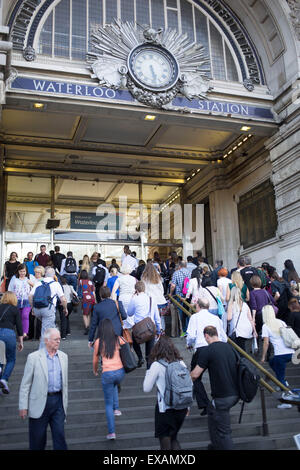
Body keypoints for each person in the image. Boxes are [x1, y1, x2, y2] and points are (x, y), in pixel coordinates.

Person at [191, 325, 239, 450]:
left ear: (206, 336)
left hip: (222, 396)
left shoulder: (208, 350)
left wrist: (183, 381)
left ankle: (221, 445)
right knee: (212, 412)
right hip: (235, 393)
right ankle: (214, 445)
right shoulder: (230, 348)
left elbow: (195, 374)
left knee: (224, 432)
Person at [19, 327, 68, 449]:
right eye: (55, 339)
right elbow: (25, 384)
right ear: (46, 340)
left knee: (60, 436)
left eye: (59, 339)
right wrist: (23, 406)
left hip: (58, 401)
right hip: (40, 401)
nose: (58, 341)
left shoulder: (63, 357)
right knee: (38, 439)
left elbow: (65, 383)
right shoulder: (34, 357)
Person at [143, 335, 189, 450]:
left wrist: (149, 371)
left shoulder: (157, 365)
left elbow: (146, 388)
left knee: (165, 441)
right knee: (174, 438)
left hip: (165, 408)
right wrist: (188, 407)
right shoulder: (181, 363)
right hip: (181, 407)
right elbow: (189, 385)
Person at [186, 298, 227, 415]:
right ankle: (217, 401)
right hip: (217, 349)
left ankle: (205, 403)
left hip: (201, 348)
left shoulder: (195, 317)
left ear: (198, 306)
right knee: (216, 376)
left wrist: (189, 344)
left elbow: (191, 335)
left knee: (195, 377)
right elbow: (224, 337)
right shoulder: (215, 318)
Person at [92, 318, 125, 440]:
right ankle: (117, 409)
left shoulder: (98, 342)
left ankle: (112, 432)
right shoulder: (118, 339)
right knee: (115, 384)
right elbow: (127, 348)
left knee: (108, 403)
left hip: (107, 373)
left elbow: (95, 360)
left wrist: (95, 371)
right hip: (120, 372)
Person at [261, 305, 294, 407]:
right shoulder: (281, 322)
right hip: (290, 352)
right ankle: (283, 382)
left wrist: (263, 357)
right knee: (272, 362)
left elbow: (266, 343)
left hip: (280, 355)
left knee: (279, 376)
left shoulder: (266, 326)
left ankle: (287, 400)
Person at [29, 267, 68, 349]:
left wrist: (32, 308)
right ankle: (42, 352)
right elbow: (63, 299)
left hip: (37, 309)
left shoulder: (38, 283)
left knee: (49, 326)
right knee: (46, 331)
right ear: (54, 275)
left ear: (45, 274)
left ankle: (52, 345)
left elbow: (30, 296)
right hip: (48, 309)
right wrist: (65, 308)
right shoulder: (56, 284)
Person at [127, 281, 161, 369]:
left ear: (136, 290)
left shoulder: (134, 299)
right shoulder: (151, 299)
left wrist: (132, 298)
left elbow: (129, 313)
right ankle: (149, 368)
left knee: (135, 343)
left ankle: (140, 357)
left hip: (139, 328)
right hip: (150, 327)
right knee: (150, 350)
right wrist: (159, 328)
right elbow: (157, 316)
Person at [0, 292, 23, 395]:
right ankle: (4, 379)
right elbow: (19, 326)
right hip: (9, 334)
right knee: (11, 359)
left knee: (0, 359)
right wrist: (21, 341)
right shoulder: (14, 309)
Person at [227, 285, 256, 351]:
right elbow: (251, 319)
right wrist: (254, 331)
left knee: (239, 347)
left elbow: (229, 318)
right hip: (247, 328)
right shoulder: (245, 304)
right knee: (242, 345)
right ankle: (242, 358)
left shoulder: (231, 304)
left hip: (238, 330)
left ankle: (242, 359)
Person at [8, 263, 33, 340]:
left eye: (24, 271)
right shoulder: (14, 279)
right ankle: (19, 334)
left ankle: (25, 333)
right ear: (18, 271)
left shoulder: (29, 278)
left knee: (25, 316)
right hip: (16, 301)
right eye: (21, 271)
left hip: (26, 301)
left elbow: (36, 287)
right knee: (17, 318)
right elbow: (10, 289)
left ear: (26, 271)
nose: (22, 273)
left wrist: (31, 284)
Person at [141, 262, 168, 332]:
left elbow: (144, 289)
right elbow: (161, 289)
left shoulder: (144, 278)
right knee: (160, 316)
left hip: (149, 300)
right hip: (159, 300)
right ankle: (161, 330)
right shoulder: (157, 277)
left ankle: (152, 331)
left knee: (151, 316)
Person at [111, 263, 137, 329]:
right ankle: (132, 332)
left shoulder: (119, 279)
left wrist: (114, 300)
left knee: (123, 315)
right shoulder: (134, 279)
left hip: (122, 298)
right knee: (132, 315)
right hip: (132, 298)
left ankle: (125, 332)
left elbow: (113, 291)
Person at [169, 261, 191, 335]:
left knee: (181, 313)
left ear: (179, 266)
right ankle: (189, 329)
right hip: (188, 296)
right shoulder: (190, 272)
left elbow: (173, 286)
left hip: (179, 296)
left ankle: (183, 331)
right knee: (188, 312)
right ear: (186, 265)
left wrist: (171, 294)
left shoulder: (176, 273)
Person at [28, 266, 45, 341]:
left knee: (39, 319)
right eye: (36, 272)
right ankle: (30, 335)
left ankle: (38, 336)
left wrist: (32, 284)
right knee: (30, 318)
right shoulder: (32, 278)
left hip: (39, 300)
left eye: (38, 272)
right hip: (31, 299)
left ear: (41, 273)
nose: (37, 274)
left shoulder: (43, 280)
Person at [78, 269, 96, 335]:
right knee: (88, 313)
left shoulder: (80, 281)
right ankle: (88, 326)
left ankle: (86, 327)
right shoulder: (90, 281)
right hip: (91, 297)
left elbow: (79, 290)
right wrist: (95, 300)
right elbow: (93, 291)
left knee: (84, 314)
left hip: (85, 297)